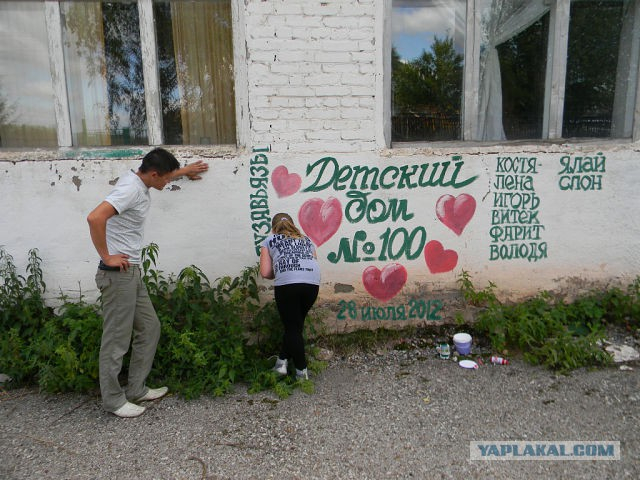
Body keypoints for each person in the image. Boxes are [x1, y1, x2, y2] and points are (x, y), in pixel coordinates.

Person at [87, 147, 208, 418]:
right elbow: (95, 218)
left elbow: (163, 173)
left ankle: (136, 389)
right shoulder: (130, 189)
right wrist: (106, 257)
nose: (167, 182)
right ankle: (113, 401)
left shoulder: (141, 180)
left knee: (150, 327)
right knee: (116, 339)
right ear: (153, 174)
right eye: (165, 178)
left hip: (132, 272)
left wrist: (184, 171)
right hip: (118, 275)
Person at [259, 212, 321, 380]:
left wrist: (280, 271)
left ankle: (302, 373)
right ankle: (281, 363)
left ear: (273, 228)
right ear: (293, 225)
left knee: (292, 328)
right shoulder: (306, 240)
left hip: (288, 284)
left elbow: (265, 272)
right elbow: (313, 260)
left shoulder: (268, 240)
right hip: (312, 283)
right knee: (295, 325)